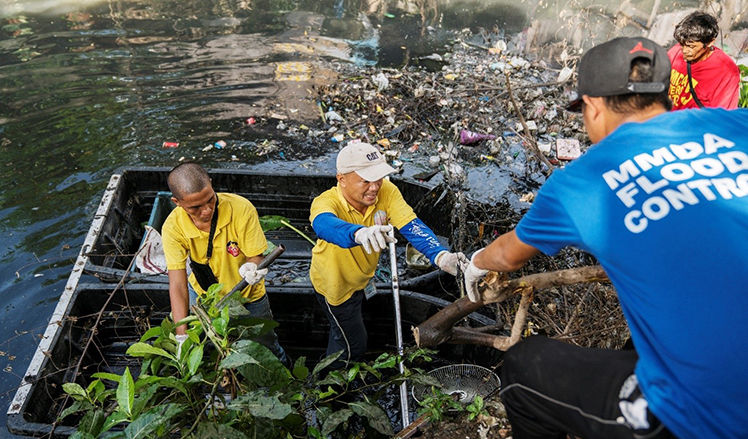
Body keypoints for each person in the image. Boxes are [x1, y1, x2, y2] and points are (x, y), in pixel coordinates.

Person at [464, 37, 747, 439]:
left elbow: (508, 255)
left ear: (593, 105)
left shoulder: (582, 182)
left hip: (710, 416)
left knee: (524, 367)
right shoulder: (736, 124)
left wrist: (475, 262)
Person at [309, 142, 467, 368]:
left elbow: (412, 226)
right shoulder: (327, 202)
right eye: (365, 180)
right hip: (336, 285)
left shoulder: (386, 191)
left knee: (356, 326)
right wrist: (359, 233)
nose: (374, 187)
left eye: (378, 178)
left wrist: (441, 256)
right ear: (341, 179)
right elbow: (324, 224)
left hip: (362, 278)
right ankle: (328, 387)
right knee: (350, 343)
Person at [161, 163, 288, 365]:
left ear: (211, 185)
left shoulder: (240, 209)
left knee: (266, 349)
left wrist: (253, 266)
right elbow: (177, 283)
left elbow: (256, 255)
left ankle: (284, 379)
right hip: (206, 299)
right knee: (213, 349)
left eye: (210, 200)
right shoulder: (173, 228)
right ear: (177, 202)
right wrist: (181, 334)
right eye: (195, 207)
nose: (206, 210)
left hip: (248, 297)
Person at [667, 11, 740, 110]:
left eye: (691, 46)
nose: (684, 51)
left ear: (710, 42)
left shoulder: (726, 71)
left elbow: (722, 115)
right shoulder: (675, 51)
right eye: (682, 44)